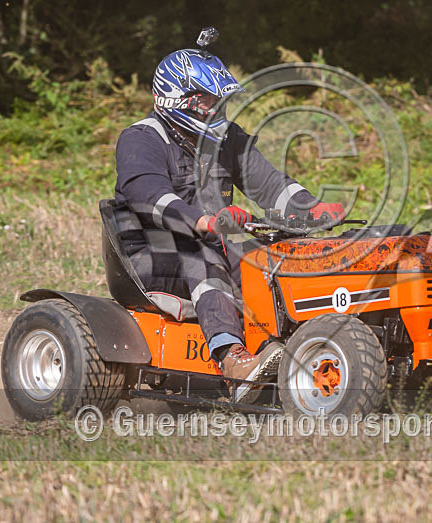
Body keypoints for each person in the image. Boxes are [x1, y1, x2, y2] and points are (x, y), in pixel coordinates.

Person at [113, 39, 344, 402]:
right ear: (179, 99)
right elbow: (149, 197)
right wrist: (203, 221)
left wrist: (309, 208)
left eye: (220, 99)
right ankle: (232, 360)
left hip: (209, 241)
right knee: (203, 258)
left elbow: (269, 184)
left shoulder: (227, 138)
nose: (217, 107)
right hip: (150, 254)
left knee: (270, 260)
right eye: (207, 99)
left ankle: (288, 348)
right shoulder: (141, 139)